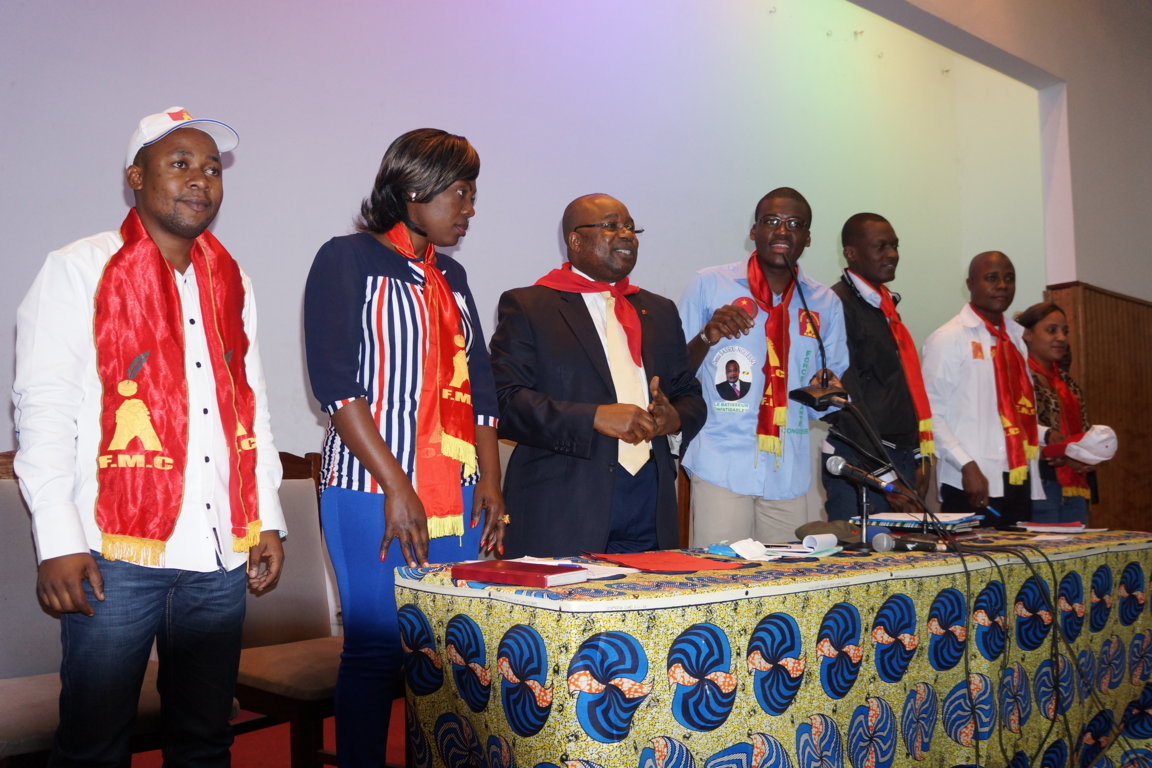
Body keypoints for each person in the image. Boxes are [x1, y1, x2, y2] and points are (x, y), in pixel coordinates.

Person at [12, 107, 285, 767]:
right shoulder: (80, 268)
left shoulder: (232, 280)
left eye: (212, 168)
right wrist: (58, 538)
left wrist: (267, 519)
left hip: (218, 554)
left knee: (205, 739)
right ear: (136, 177)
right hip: (113, 554)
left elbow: (250, 406)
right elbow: (43, 409)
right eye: (180, 163)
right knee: (94, 743)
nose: (200, 180)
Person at [303, 128, 505, 765]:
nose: (470, 208)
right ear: (415, 190)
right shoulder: (347, 259)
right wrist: (398, 486)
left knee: (451, 648)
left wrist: (492, 483)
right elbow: (337, 386)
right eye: (460, 193)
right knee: (375, 649)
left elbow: (480, 385)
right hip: (370, 488)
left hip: (457, 489)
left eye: (472, 194)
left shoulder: (452, 274)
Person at [489, 193, 706, 558]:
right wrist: (594, 417)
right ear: (575, 240)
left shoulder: (660, 310)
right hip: (564, 509)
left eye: (631, 227)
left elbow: (690, 395)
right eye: (611, 226)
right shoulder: (530, 306)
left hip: (649, 503)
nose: (627, 235)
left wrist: (673, 419)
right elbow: (506, 403)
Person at [679, 188, 848, 545]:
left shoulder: (825, 303)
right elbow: (676, 370)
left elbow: (826, 397)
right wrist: (707, 335)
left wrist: (828, 389)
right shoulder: (710, 284)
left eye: (794, 224)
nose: (782, 231)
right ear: (753, 231)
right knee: (721, 574)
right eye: (771, 221)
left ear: (807, 238)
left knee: (785, 575)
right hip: (721, 462)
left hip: (788, 470)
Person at [823, 213, 934, 520]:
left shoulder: (885, 305)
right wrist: (886, 477)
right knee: (862, 551)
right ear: (851, 253)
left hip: (900, 458)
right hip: (861, 462)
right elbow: (847, 400)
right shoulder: (838, 304)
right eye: (881, 246)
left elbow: (901, 389)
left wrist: (920, 454)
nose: (893, 254)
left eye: (895, 245)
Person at [921, 251, 1042, 526]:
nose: (1002, 285)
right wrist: (966, 464)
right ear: (970, 283)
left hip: (1017, 474)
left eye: (1009, 278)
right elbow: (929, 414)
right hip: (970, 480)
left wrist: (1052, 439)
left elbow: (1015, 413)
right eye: (992, 278)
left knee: (1021, 553)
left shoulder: (1016, 339)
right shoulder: (948, 338)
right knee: (975, 554)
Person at [1016, 301, 1095, 523]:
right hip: (1038, 482)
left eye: (1065, 331)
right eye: (1052, 330)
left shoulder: (1067, 383)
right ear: (1028, 334)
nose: (1061, 337)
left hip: (1075, 483)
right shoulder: (1018, 377)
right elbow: (1014, 429)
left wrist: (1090, 454)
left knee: (1077, 545)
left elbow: (1083, 431)